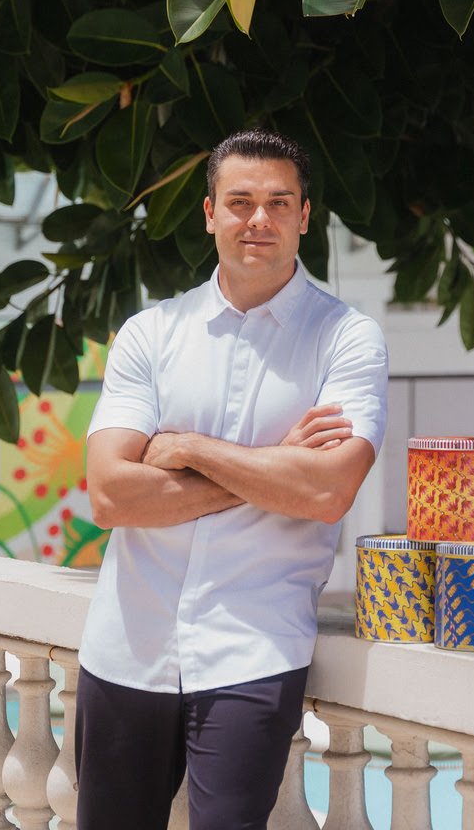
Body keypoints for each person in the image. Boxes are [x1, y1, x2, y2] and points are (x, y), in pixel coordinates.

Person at [75, 129, 388, 830]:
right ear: (210, 211)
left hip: (254, 649)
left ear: (305, 215)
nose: (260, 219)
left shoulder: (346, 339)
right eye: (240, 201)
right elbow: (108, 494)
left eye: (280, 202)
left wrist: (183, 446)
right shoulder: (152, 333)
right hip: (128, 648)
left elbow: (329, 490)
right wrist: (273, 463)